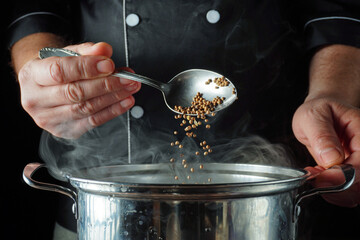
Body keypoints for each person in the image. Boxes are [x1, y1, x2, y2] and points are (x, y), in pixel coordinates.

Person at [7, 0, 360, 239]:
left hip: (267, 209)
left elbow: (336, 9)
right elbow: (34, 8)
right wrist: (42, 73)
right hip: (101, 209)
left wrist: (333, 94)